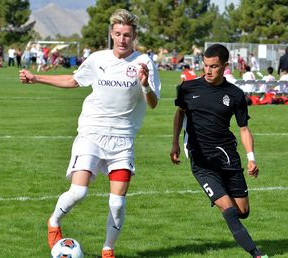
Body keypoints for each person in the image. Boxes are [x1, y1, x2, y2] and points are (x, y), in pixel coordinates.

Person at [19, 9, 161, 258]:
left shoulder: (144, 63)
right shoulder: (97, 59)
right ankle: (54, 221)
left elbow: (153, 103)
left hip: (122, 139)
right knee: (79, 192)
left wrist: (145, 84)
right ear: (111, 34)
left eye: (127, 34)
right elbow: (74, 80)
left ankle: (108, 249)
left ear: (134, 36)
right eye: (117, 34)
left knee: (117, 203)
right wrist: (36, 78)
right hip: (92, 133)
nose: (122, 39)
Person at [170, 44, 267, 258]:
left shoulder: (235, 94)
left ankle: (220, 195)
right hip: (201, 160)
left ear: (225, 65)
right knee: (228, 210)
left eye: (213, 66)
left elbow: (243, 128)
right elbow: (179, 114)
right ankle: (257, 254)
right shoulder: (187, 88)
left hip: (228, 156)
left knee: (242, 211)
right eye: (205, 65)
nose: (208, 71)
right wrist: (175, 143)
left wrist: (251, 158)